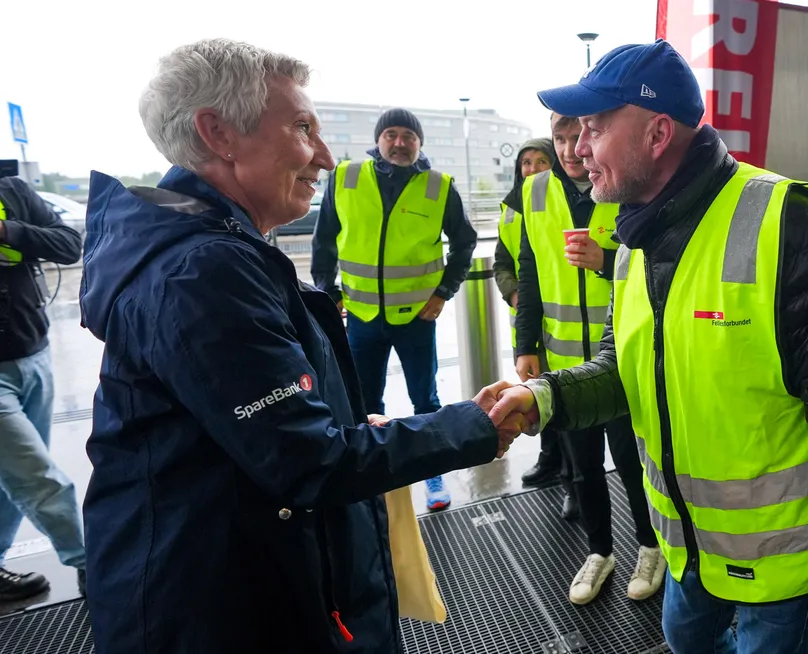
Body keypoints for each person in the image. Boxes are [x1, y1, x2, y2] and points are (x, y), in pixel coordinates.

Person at [79, 39, 520, 654]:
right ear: (218, 134)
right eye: (302, 126)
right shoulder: (203, 273)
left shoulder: (210, 248)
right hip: (224, 610)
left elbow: (256, 435)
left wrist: (340, 423)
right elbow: (309, 463)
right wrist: (469, 428)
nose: (324, 155)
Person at [489, 41, 808, 653]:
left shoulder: (784, 220)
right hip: (687, 546)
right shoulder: (633, 238)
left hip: (782, 564)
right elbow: (620, 369)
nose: (578, 148)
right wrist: (540, 398)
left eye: (596, 128)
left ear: (656, 133)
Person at [514, 112, 665, 606]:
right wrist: (524, 346)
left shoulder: (624, 183)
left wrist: (605, 265)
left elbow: (655, 270)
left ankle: (650, 545)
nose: (567, 148)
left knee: (629, 461)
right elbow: (529, 272)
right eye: (558, 138)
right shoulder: (534, 194)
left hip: (619, 360)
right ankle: (600, 550)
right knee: (581, 469)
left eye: (577, 136)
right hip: (560, 362)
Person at [311, 108, 478, 512]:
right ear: (378, 140)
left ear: (420, 143)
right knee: (366, 402)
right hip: (362, 318)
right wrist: (327, 294)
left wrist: (442, 293)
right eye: (391, 134)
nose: (399, 142)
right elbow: (325, 241)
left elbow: (465, 243)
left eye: (408, 135)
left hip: (416, 318)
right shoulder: (347, 179)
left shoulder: (438, 187)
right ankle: (376, 482)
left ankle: (433, 474)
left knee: (426, 398)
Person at [0, 173, 85, 601]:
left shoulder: (12, 192)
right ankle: (94, 565)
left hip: (33, 354)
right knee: (38, 477)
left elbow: (69, 244)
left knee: (10, 478)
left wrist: (7, 230)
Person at [493, 138, 568, 495]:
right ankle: (549, 460)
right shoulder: (511, 208)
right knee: (538, 397)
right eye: (526, 162)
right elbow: (503, 263)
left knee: (567, 400)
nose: (533, 168)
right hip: (526, 323)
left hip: (562, 323)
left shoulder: (563, 204)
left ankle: (572, 479)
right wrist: (514, 291)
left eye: (542, 161)